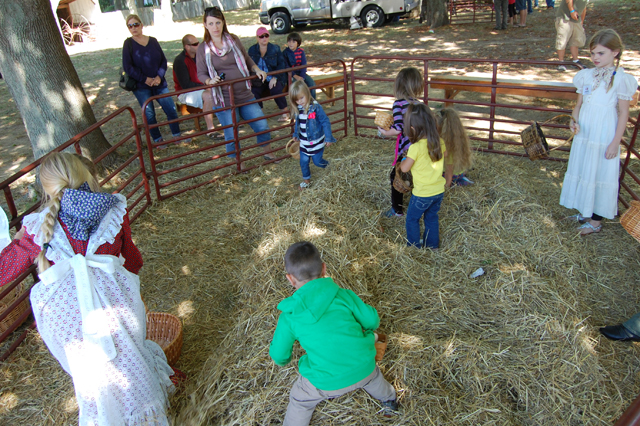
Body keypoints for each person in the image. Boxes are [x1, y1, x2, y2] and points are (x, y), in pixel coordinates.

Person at [0, 152, 174, 425]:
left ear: (46, 188)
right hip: (115, 303)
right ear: (86, 174)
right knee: (130, 358)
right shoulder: (114, 209)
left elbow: (4, 271)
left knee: (92, 375)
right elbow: (132, 257)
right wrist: (133, 287)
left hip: (68, 316)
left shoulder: (37, 225)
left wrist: (18, 241)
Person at [269, 241, 398, 425]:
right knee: (374, 378)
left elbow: (279, 356)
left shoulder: (289, 316)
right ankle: (390, 399)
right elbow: (372, 321)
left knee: (300, 400)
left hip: (324, 383)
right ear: (324, 269)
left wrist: (284, 360)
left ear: (290, 279)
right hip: (364, 367)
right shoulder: (343, 295)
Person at [560, 29, 638, 235]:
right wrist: (573, 121)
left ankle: (595, 222)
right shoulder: (586, 76)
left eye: (601, 53)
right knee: (585, 169)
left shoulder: (621, 80)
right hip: (585, 132)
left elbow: (622, 113)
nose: (595, 58)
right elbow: (578, 105)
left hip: (603, 134)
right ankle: (585, 212)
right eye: (592, 53)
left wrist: (615, 142)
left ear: (616, 53)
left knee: (599, 172)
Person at [195, 7, 278, 162]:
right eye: (211, 23)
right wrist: (209, 81)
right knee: (232, 134)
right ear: (205, 25)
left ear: (223, 22)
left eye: (218, 22)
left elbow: (246, 59)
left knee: (261, 124)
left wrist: (256, 69)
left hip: (245, 94)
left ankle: (268, 153)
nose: (215, 27)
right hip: (224, 99)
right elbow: (200, 73)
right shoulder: (203, 48)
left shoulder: (233, 39)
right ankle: (237, 163)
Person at [122, 14, 187, 147]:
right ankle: (158, 140)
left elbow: (163, 60)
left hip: (159, 83)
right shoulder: (128, 44)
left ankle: (177, 136)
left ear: (141, 25)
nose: (134, 28)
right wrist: (145, 79)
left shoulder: (153, 41)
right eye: (130, 26)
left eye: (136, 24)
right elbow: (128, 67)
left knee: (170, 108)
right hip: (141, 86)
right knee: (149, 113)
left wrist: (159, 76)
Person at [377, 67, 425, 217]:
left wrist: (384, 132)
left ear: (399, 85)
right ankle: (419, 206)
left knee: (396, 176)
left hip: (407, 150)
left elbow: (397, 129)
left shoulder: (398, 104)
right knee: (416, 176)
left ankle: (397, 210)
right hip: (422, 148)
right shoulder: (420, 105)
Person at [400, 103, 446, 249]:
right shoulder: (440, 142)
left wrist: (403, 160)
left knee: (412, 219)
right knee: (431, 218)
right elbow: (444, 155)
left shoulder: (415, 147)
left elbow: (405, 168)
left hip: (422, 194)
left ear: (412, 128)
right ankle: (432, 246)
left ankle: (414, 247)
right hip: (438, 191)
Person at [173, 33, 223, 139]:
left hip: (201, 87)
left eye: (198, 42)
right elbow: (185, 85)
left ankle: (231, 121)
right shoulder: (180, 61)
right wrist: (206, 85)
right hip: (185, 93)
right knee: (208, 95)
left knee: (223, 88)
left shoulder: (200, 56)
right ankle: (211, 130)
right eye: (195, 44)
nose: (199, 45)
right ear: (187, 47)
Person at [289, 81, 336, 190]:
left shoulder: (316, 107)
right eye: (296, 100)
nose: (299, 102)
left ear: (307, 93)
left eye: (301, 98)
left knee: (317, 162)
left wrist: (328, 137)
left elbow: (325, 121)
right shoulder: (299, 109)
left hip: (316, 142)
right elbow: (298, 123)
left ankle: (330, 166)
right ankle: (306, 181)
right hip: (304, 143)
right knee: (303, 162)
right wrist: (296, 134)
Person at [248, 27, 290, 122]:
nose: (264, 38)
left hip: (274, 76)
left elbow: (281, 64)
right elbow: (248, 65)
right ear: (257, 38)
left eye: (266, 35)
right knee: (254, 91)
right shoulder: (252, 50)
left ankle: (285, 112)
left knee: (276, 89)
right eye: (261, 36)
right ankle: (260, 115)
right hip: (259, 79)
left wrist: (275, 77)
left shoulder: (275, 48)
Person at [437, 108, 473, 188]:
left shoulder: (447, 145)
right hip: (460, 172)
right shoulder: (458, 139)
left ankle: (458, 182)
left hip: (451, 175)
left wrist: (446, 187)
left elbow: (448, 171)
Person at [555, 0, 588, 71]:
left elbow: (583, 7)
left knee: (575, 40)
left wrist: (581, 21)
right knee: (562, 40)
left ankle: (575, 61)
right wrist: (572, 11)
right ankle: (561, 62)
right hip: (564, 17)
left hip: (576, 20)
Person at [283, 32, 317, 100]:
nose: (291, 43)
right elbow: (286, 66)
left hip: (301, 73)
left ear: (298, 43)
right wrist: (295, 76)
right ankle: (298, 105)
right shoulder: (285, 53)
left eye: (293, 41)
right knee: (297, 88)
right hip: (291, 74)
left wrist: (302, 77)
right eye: (289, 41)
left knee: (312, 84)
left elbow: (303, 65)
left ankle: (313, 102)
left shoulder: (301, 52)